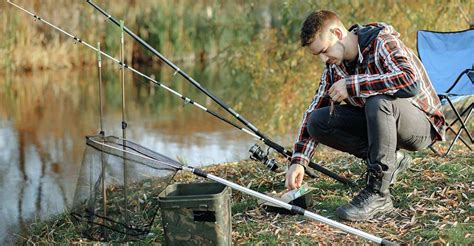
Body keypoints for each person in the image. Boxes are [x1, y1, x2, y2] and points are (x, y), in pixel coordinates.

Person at [285, 10, 446, 221]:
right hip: (382, 120)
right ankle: (391, 161)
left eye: (325, 51)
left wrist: (353, 85)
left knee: (377, 101)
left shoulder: (381, 42)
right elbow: (314, 109)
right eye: (319, 55)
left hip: (421, 124)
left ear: (337, 32)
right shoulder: (334, 67)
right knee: (318, 121)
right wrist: (298, 161)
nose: (324, 59)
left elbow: (410, 82)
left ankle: (379, 194)